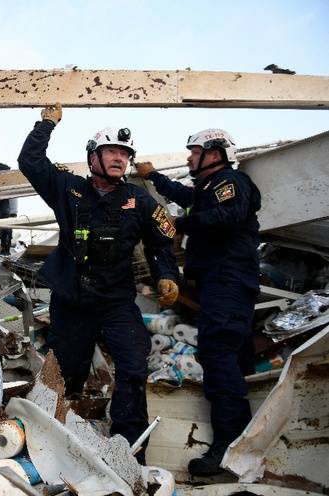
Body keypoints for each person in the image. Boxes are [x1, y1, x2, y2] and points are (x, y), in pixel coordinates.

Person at [18, 103, 179, 462]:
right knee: (65, 376)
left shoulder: (139, 200)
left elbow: (161, 243)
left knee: (134, 368)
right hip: (73, 301)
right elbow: (30, 162)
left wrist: (167, 275)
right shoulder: (68, 189)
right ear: (93, 157)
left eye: (124, 153)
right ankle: (54, 448)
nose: (120, 159)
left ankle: (128, 454)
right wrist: (46, 124)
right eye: (112, 152)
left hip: (116, 303)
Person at [136, 129, 261, 476]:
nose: (189, 158)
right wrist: (153, 177)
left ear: (215, 152)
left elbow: (226, 216)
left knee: (217, 352)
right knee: (232, 354)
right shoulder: (208, 189)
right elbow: (187, 195)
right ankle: (249, 437)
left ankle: (230, 445)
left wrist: (179, 223)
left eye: (194, 152)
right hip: (221, 281)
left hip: (228, 278)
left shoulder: (231, 181)